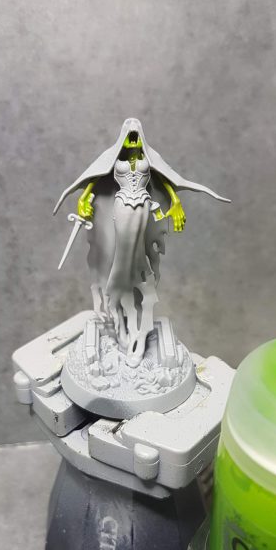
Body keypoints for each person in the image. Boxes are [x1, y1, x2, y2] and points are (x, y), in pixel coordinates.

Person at [54, 118, 229, 367]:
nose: (133, 139)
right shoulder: (115, 161)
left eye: (136, 135)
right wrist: (82, 201)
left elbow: (167, 181)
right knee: (122, 259)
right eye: (129, 135)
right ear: (123, 138)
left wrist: (176, 204)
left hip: (144, 206)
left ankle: (138, 320)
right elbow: (92, 180)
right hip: (122, 205)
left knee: (140, 260)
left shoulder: (148, 159)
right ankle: (119, 306)